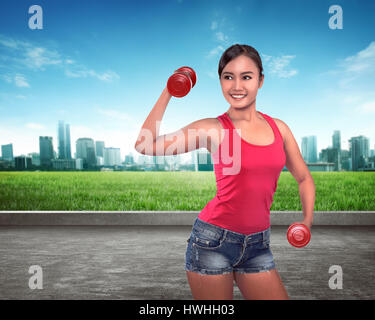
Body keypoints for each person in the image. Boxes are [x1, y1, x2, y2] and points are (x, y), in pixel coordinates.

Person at [134, 44, 315, 300]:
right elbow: (145, 145)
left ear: (260, 81)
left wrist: (306, 220)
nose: (237, 86)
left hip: (258, 245)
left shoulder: (280, 129)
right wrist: (169, 90)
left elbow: (304, 177)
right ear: (220, 81)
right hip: (213, 242)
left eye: (246, 77)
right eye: (228, 77)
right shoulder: (213, 129)